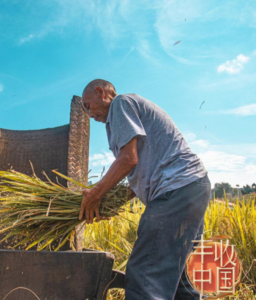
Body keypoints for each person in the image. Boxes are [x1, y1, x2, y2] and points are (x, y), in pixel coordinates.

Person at [79, 79, 210, 300]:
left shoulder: (120, 104)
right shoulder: (127, 112)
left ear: (100, 92)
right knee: (180, 282)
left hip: (174, 191)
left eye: (88, 106)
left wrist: (95, 194)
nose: (90, 114)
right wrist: (109, 202)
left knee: (146, 277)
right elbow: (137, 171)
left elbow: (129, 159)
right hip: (191, 189)